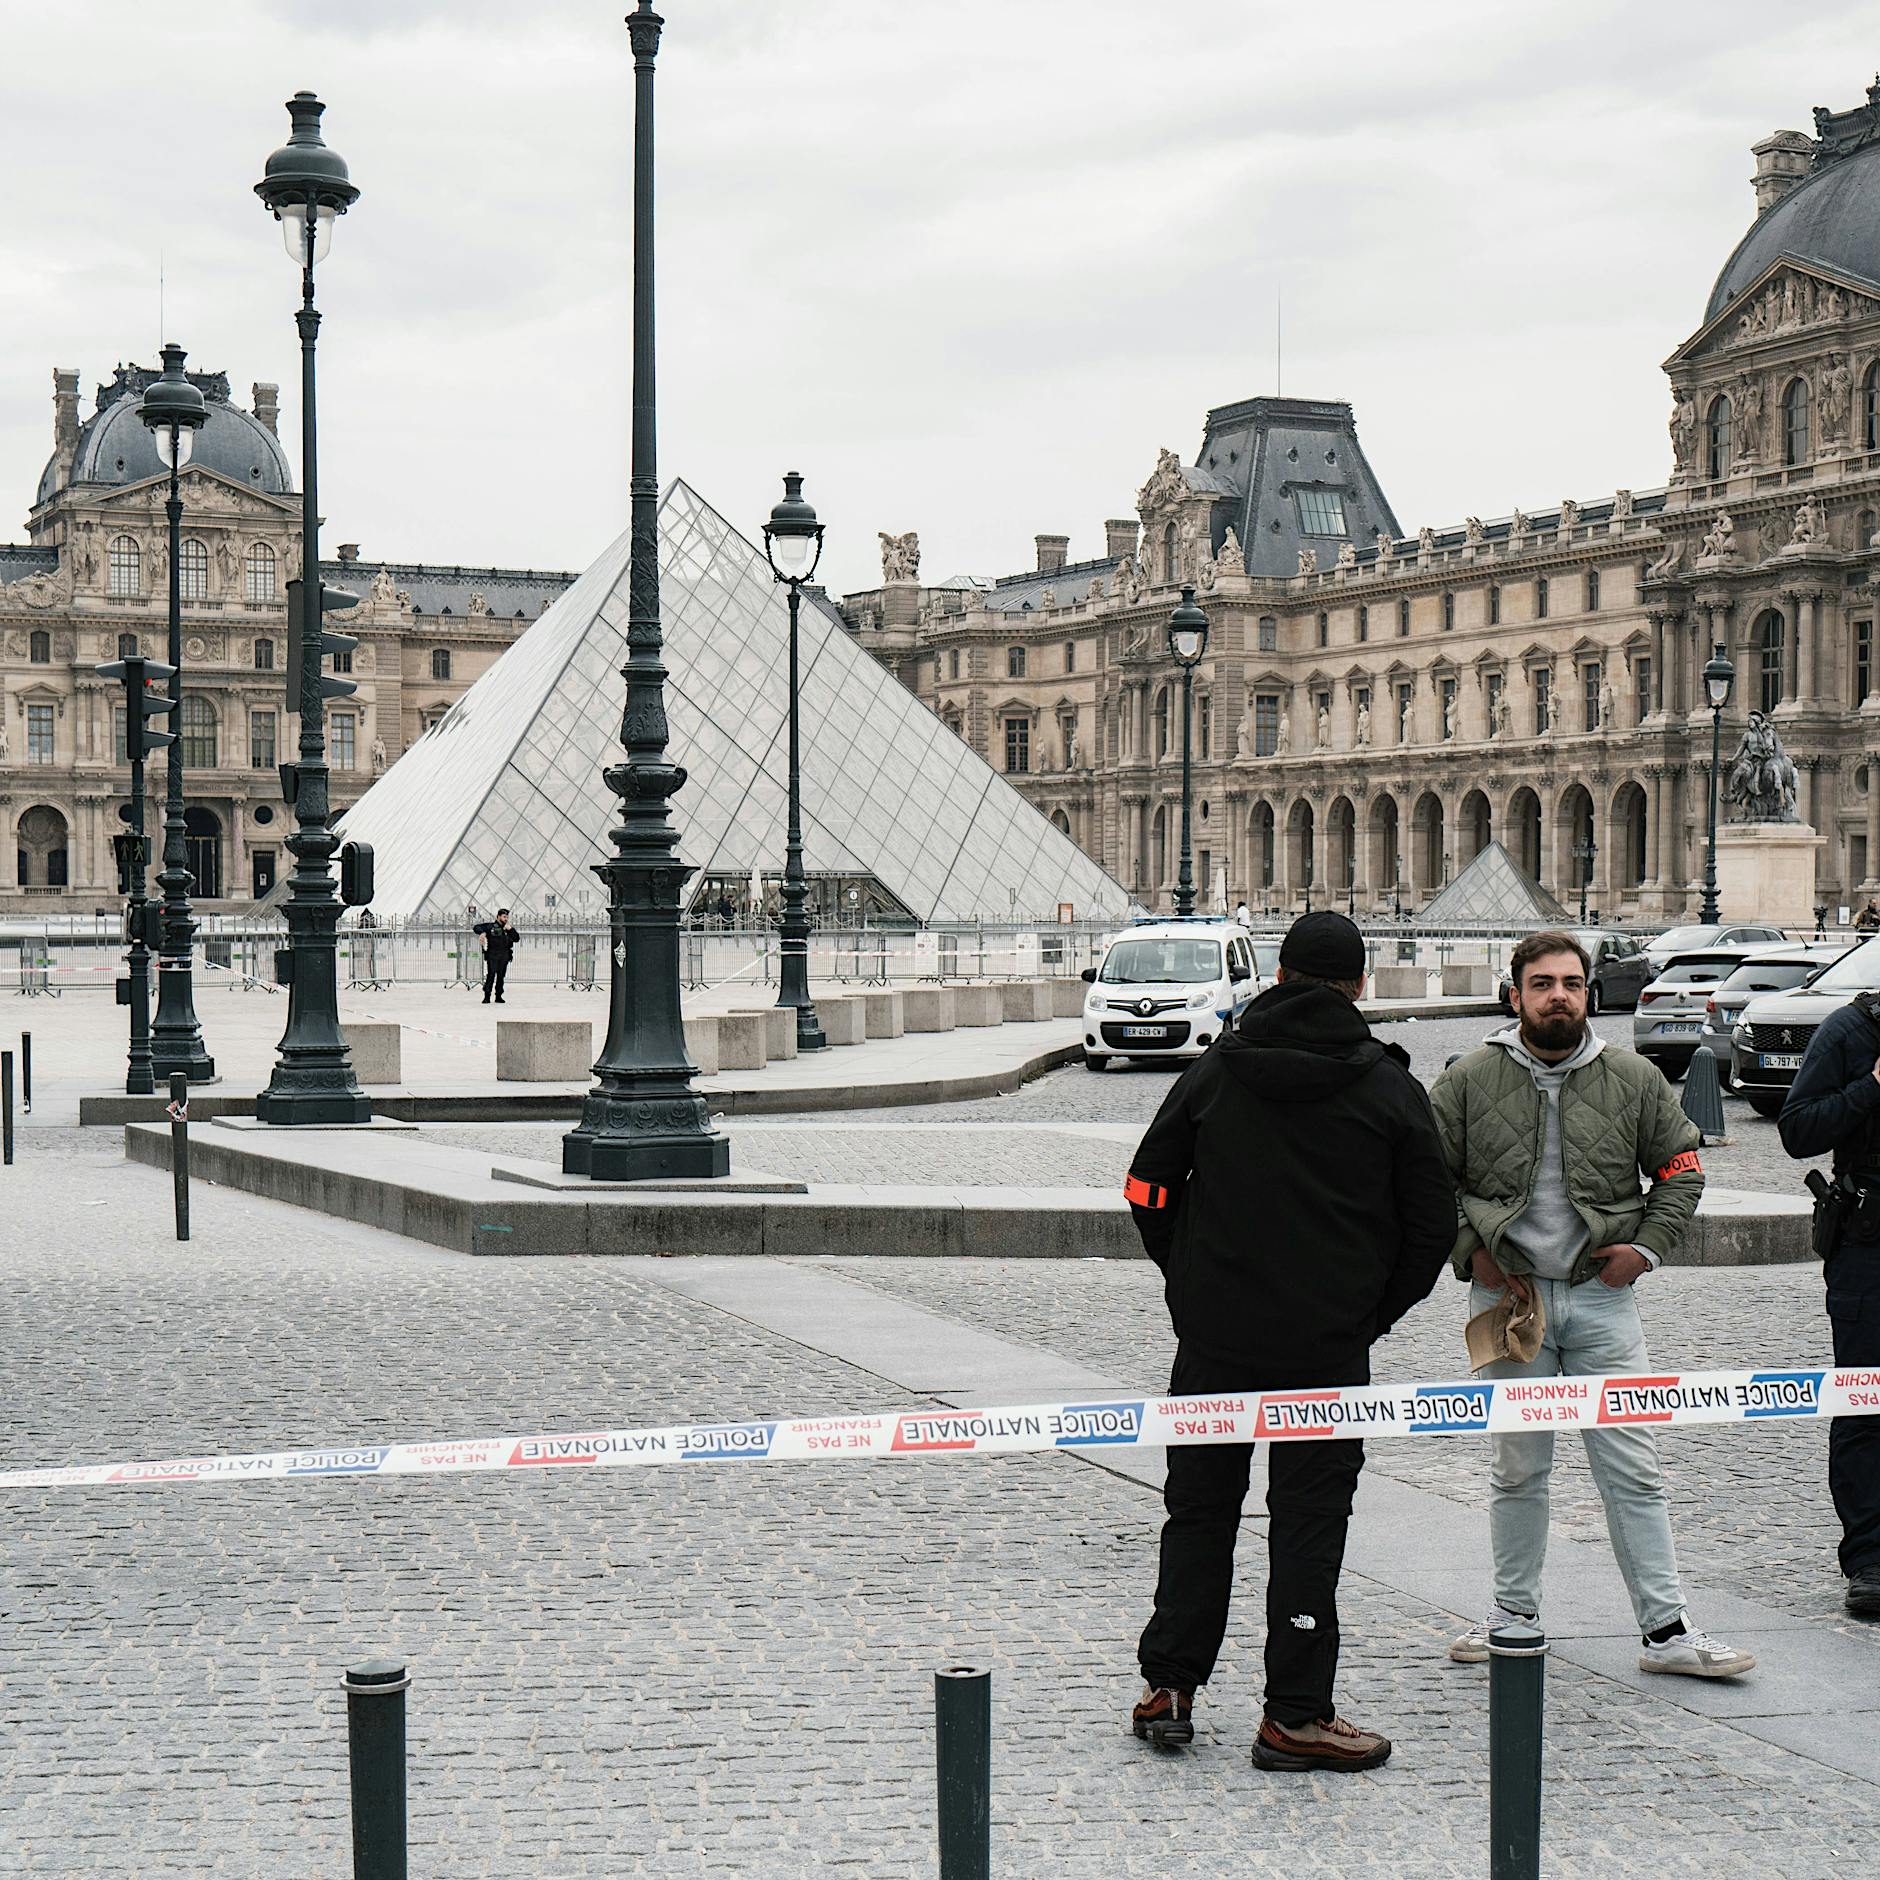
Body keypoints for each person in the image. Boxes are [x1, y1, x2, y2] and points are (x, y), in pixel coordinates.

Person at [1126, 910, 1456, 1772]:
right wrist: (1368, 1314)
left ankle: (1171, 1687)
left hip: (1213, 1342)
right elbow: (1432, 1231)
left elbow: (1146, 1187)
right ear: (1360, 986)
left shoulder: (1216, 1071)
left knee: (1198, 1512)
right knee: (1309, 1526)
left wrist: (1189, 1283)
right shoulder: (1389, 1089)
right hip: (1326, 1349)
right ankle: (1295, 1716)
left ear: (1276, 977)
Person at [1429, 931, 1756, 1678]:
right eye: (1541, 984)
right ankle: (1513, 1616)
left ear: (1589, 994)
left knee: (1633, 1469)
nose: (1558, 997)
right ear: (1515, 995)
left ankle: (1666, 1631)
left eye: (1571, 984)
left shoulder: (1634, 1079)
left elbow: (1681, 1171)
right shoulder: (1468, 1081)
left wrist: (1645, 1250)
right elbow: (1424, 1178)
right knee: (1517, 1469)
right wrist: (1466, 1248)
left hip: (1602, 1305)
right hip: (1506, 1303)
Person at [1776, 992, 1880, 1618]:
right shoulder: (1849, 1029)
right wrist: (1871, 1086)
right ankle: (1869, 1559)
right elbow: (1796, 1131)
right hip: (1870, 1252)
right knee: (1866, 1402)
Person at [474, 908, 517, 1004]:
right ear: (498, 917)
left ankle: (498, 996)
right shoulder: (491, 927)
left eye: (507, 917)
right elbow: (476, 927)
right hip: (493, 956)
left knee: (501, 977)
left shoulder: (508, 928)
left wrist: (511, 930)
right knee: (491, 975)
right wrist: (483, 932)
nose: (506, 919)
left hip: (504, 956)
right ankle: (487, 996)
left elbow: (516, 938)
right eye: (504, 917)